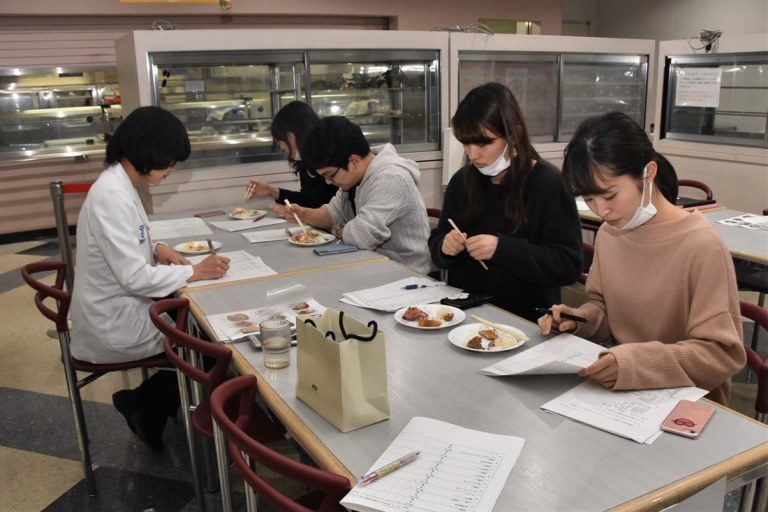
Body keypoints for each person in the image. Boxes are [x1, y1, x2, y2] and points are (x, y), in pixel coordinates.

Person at [539, 111, 746, 405]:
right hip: (621, 392)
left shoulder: (702, 245)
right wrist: (579, 321)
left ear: (648, 173)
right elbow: (605, 308)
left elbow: (721, 354)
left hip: (687, 401)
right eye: (588, 199)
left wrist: (636, 363)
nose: (601, 212)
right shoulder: (611, 233)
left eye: (609, 196)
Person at [70, 106, 230, 450]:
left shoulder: (121, 183)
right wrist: (194, 271)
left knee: (200, 332)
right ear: (148, 152)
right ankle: (157, 409)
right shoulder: (111, 195)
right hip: (114, 324)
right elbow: (133, 277)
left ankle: (148, 405)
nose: (172, 170)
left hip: (123, 308)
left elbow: (131, 237)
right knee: (212, 344)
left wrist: (157, 247)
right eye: (169, 162)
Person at [428, 83, 582, 322]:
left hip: (528, 320)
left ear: (514, 135)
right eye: (466, 143)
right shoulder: (462, 182)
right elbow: (438, 243)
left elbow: (567, 266)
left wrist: (502, 249)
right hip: (466, 315)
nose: (472, 154)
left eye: (483, 143)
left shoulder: (549, 184)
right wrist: (445, 247)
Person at [283, 115, 431, 274]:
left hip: (406, 273)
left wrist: (339, 229)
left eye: (329, 174)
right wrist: (304, 214)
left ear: (353, 160)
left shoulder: (392, 178)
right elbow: (333, 214)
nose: (328, 182)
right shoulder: (354, 179)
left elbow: (362, 236)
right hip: (370, 263)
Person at [245, 101, 337, 210]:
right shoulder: (305, 162)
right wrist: (271, 191)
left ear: (293, 134)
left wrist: (304, 215)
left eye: (280, 138)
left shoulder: (331, 160)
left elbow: (333, 211)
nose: (279, 145)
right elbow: (308, 200)